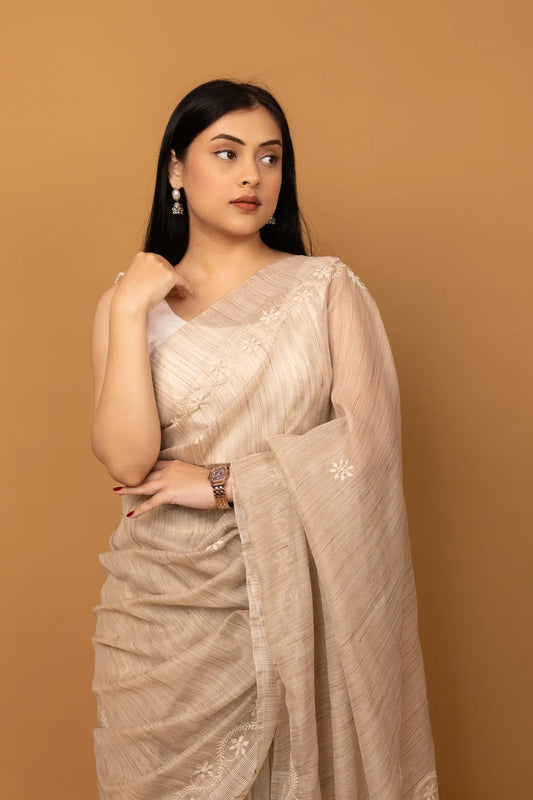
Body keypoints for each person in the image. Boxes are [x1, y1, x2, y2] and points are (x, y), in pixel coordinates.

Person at [90, 78, 439, 800]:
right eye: (227, 153)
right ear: (177, 170)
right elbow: (126, 461)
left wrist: (222, 483)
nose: (253, 175)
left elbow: (367, 447)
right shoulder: (128, 302)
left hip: (296, 601)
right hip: (162, 617)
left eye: (271, 157)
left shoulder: (324, 290)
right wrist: (129, 310)